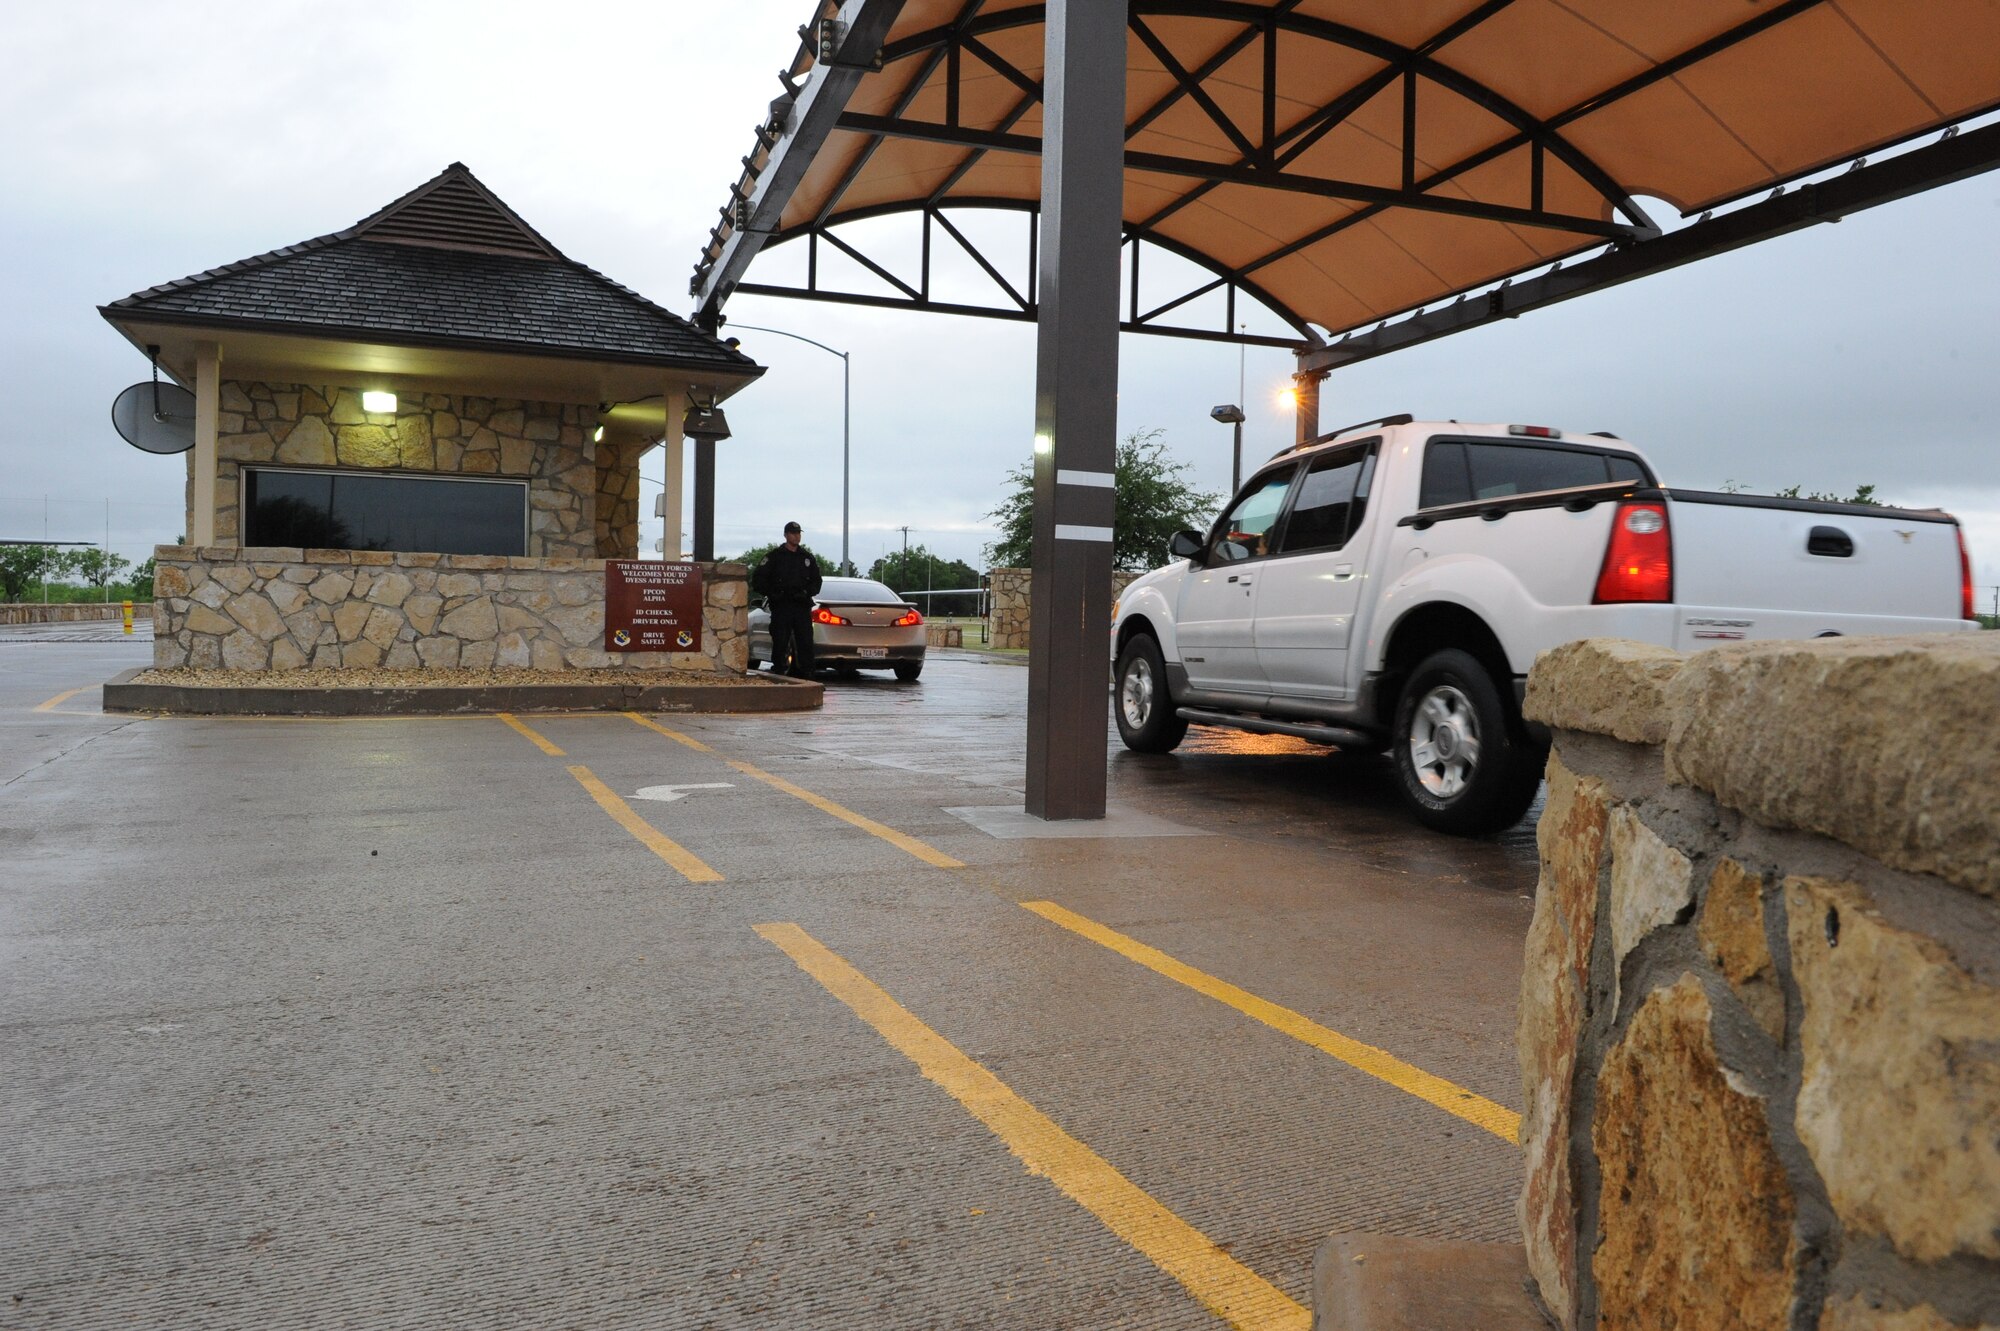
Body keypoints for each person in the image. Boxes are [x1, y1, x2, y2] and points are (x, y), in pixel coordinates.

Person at [754, 521, 822, 677]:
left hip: (801, 605)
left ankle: (808, 675)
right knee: (780, 641)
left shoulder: (807, 558)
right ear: (786, 535)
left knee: (805, 641)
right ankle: (778, 673)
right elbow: (758, 580)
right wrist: (773, 593)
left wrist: (806, 592)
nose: (796, 536)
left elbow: (816, 581)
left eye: (798, 533)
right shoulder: (774, 557)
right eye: (793, 533)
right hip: (782, 605)